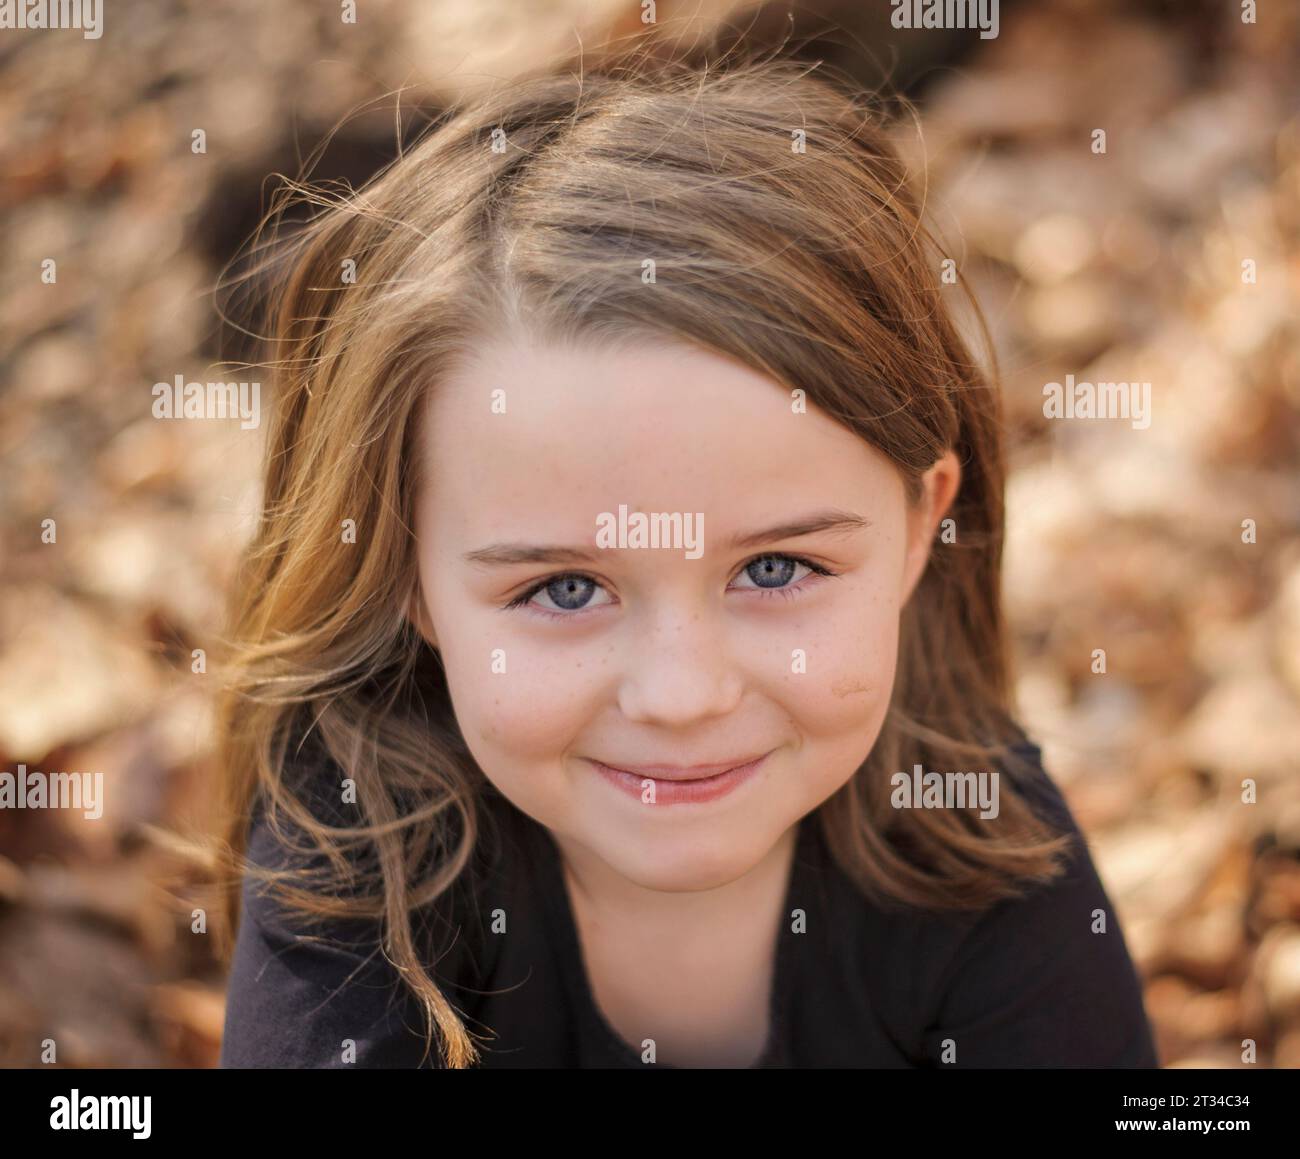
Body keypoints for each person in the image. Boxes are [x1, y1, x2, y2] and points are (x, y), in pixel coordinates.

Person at [213, 43, 1159, 1069]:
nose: (681, 694)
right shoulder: (357, 859)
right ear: (407, 579)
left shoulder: (982, 849)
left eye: (774, 569)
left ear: (918, 526)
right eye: (563, 587)